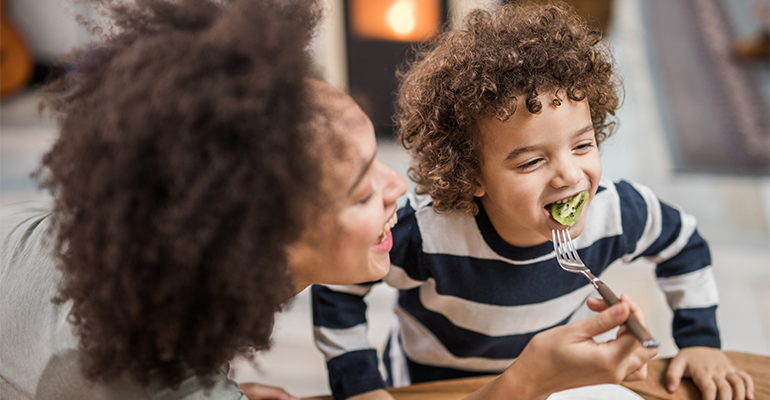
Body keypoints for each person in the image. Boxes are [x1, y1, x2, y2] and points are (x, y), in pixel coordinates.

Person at [0, 0, 656, 399]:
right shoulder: (138, 382)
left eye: (381, 162)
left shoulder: (133, 236)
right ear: (258, 249)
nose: (399, 187)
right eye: (362, 188)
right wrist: (527, 382)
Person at [311, 3, 755, 400]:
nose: (568, 174)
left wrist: (700, 342)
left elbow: (683, 243)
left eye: (582, 146)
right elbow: (338, 286)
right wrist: (360, 385)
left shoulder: (614, 213)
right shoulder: (427, 234)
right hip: (431, 387)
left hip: (554, 385)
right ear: (472, 173)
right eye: (531, 162)